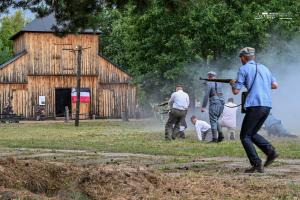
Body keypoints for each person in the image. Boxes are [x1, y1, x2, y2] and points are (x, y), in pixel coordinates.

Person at [230, 47, 279, 173]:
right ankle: (270, 152)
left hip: (255, 105)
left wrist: (232, 84)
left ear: (243, 58)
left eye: (241, 58)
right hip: (267, 106)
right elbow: (275, 85)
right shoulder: (265, 68)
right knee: (251, 134)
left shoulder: (243, 69)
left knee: (244, 136)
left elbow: (236, 91)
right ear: (254, 57)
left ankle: (257, 164)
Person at [201, 71, 225, 143]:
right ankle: (220, 135)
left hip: (214, 103)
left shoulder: (209, 83)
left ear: (209, 76)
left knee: (213, 121)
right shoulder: (220, 83)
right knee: (216, 119)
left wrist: (203, 106)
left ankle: (214, 139)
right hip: (221, 103)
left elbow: (206, 95)